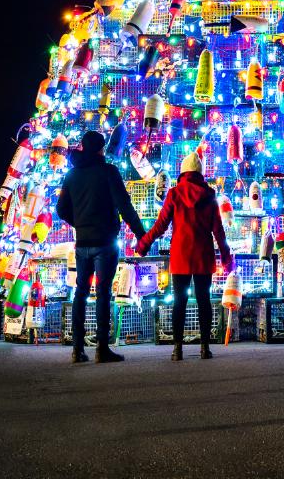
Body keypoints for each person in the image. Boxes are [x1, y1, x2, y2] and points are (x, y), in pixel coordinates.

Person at [56, 130, 146, 364]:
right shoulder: (108, 172)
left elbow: (61, 209)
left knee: (81, 293)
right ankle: (102, 348)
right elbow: (124, 206)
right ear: (100, 149)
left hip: (82, 243)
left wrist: (80, 223)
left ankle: (77, 349)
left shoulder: (72, 175)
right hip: (105, 242)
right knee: (103, 294)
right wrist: (141, 234)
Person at [136, 151, 232, 361]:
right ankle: (205, 348)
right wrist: (226, 258)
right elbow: (218, 230)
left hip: (180, 255)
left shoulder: (174, 194)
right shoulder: (209, 195)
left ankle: (177, 349)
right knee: (204, 301)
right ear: (200, 173)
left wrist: (144, 243)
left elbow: (160, 226)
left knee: (179, 301)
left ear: (183, 172)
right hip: (203, 255)